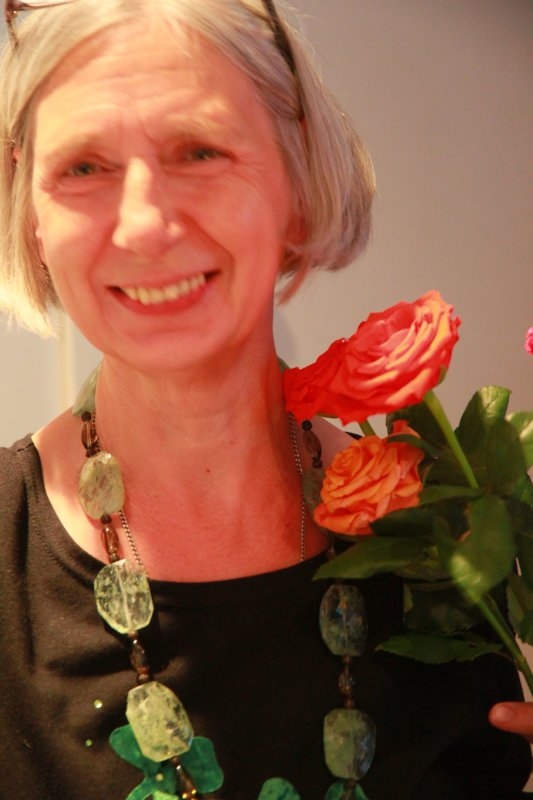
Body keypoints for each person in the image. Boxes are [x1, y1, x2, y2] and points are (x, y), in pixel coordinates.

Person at [0, 1, 531, 798]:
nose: (143, 224)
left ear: (299, 176)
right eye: (83, 167)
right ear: (28, 206)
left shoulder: (446, 543)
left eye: (198, 150)